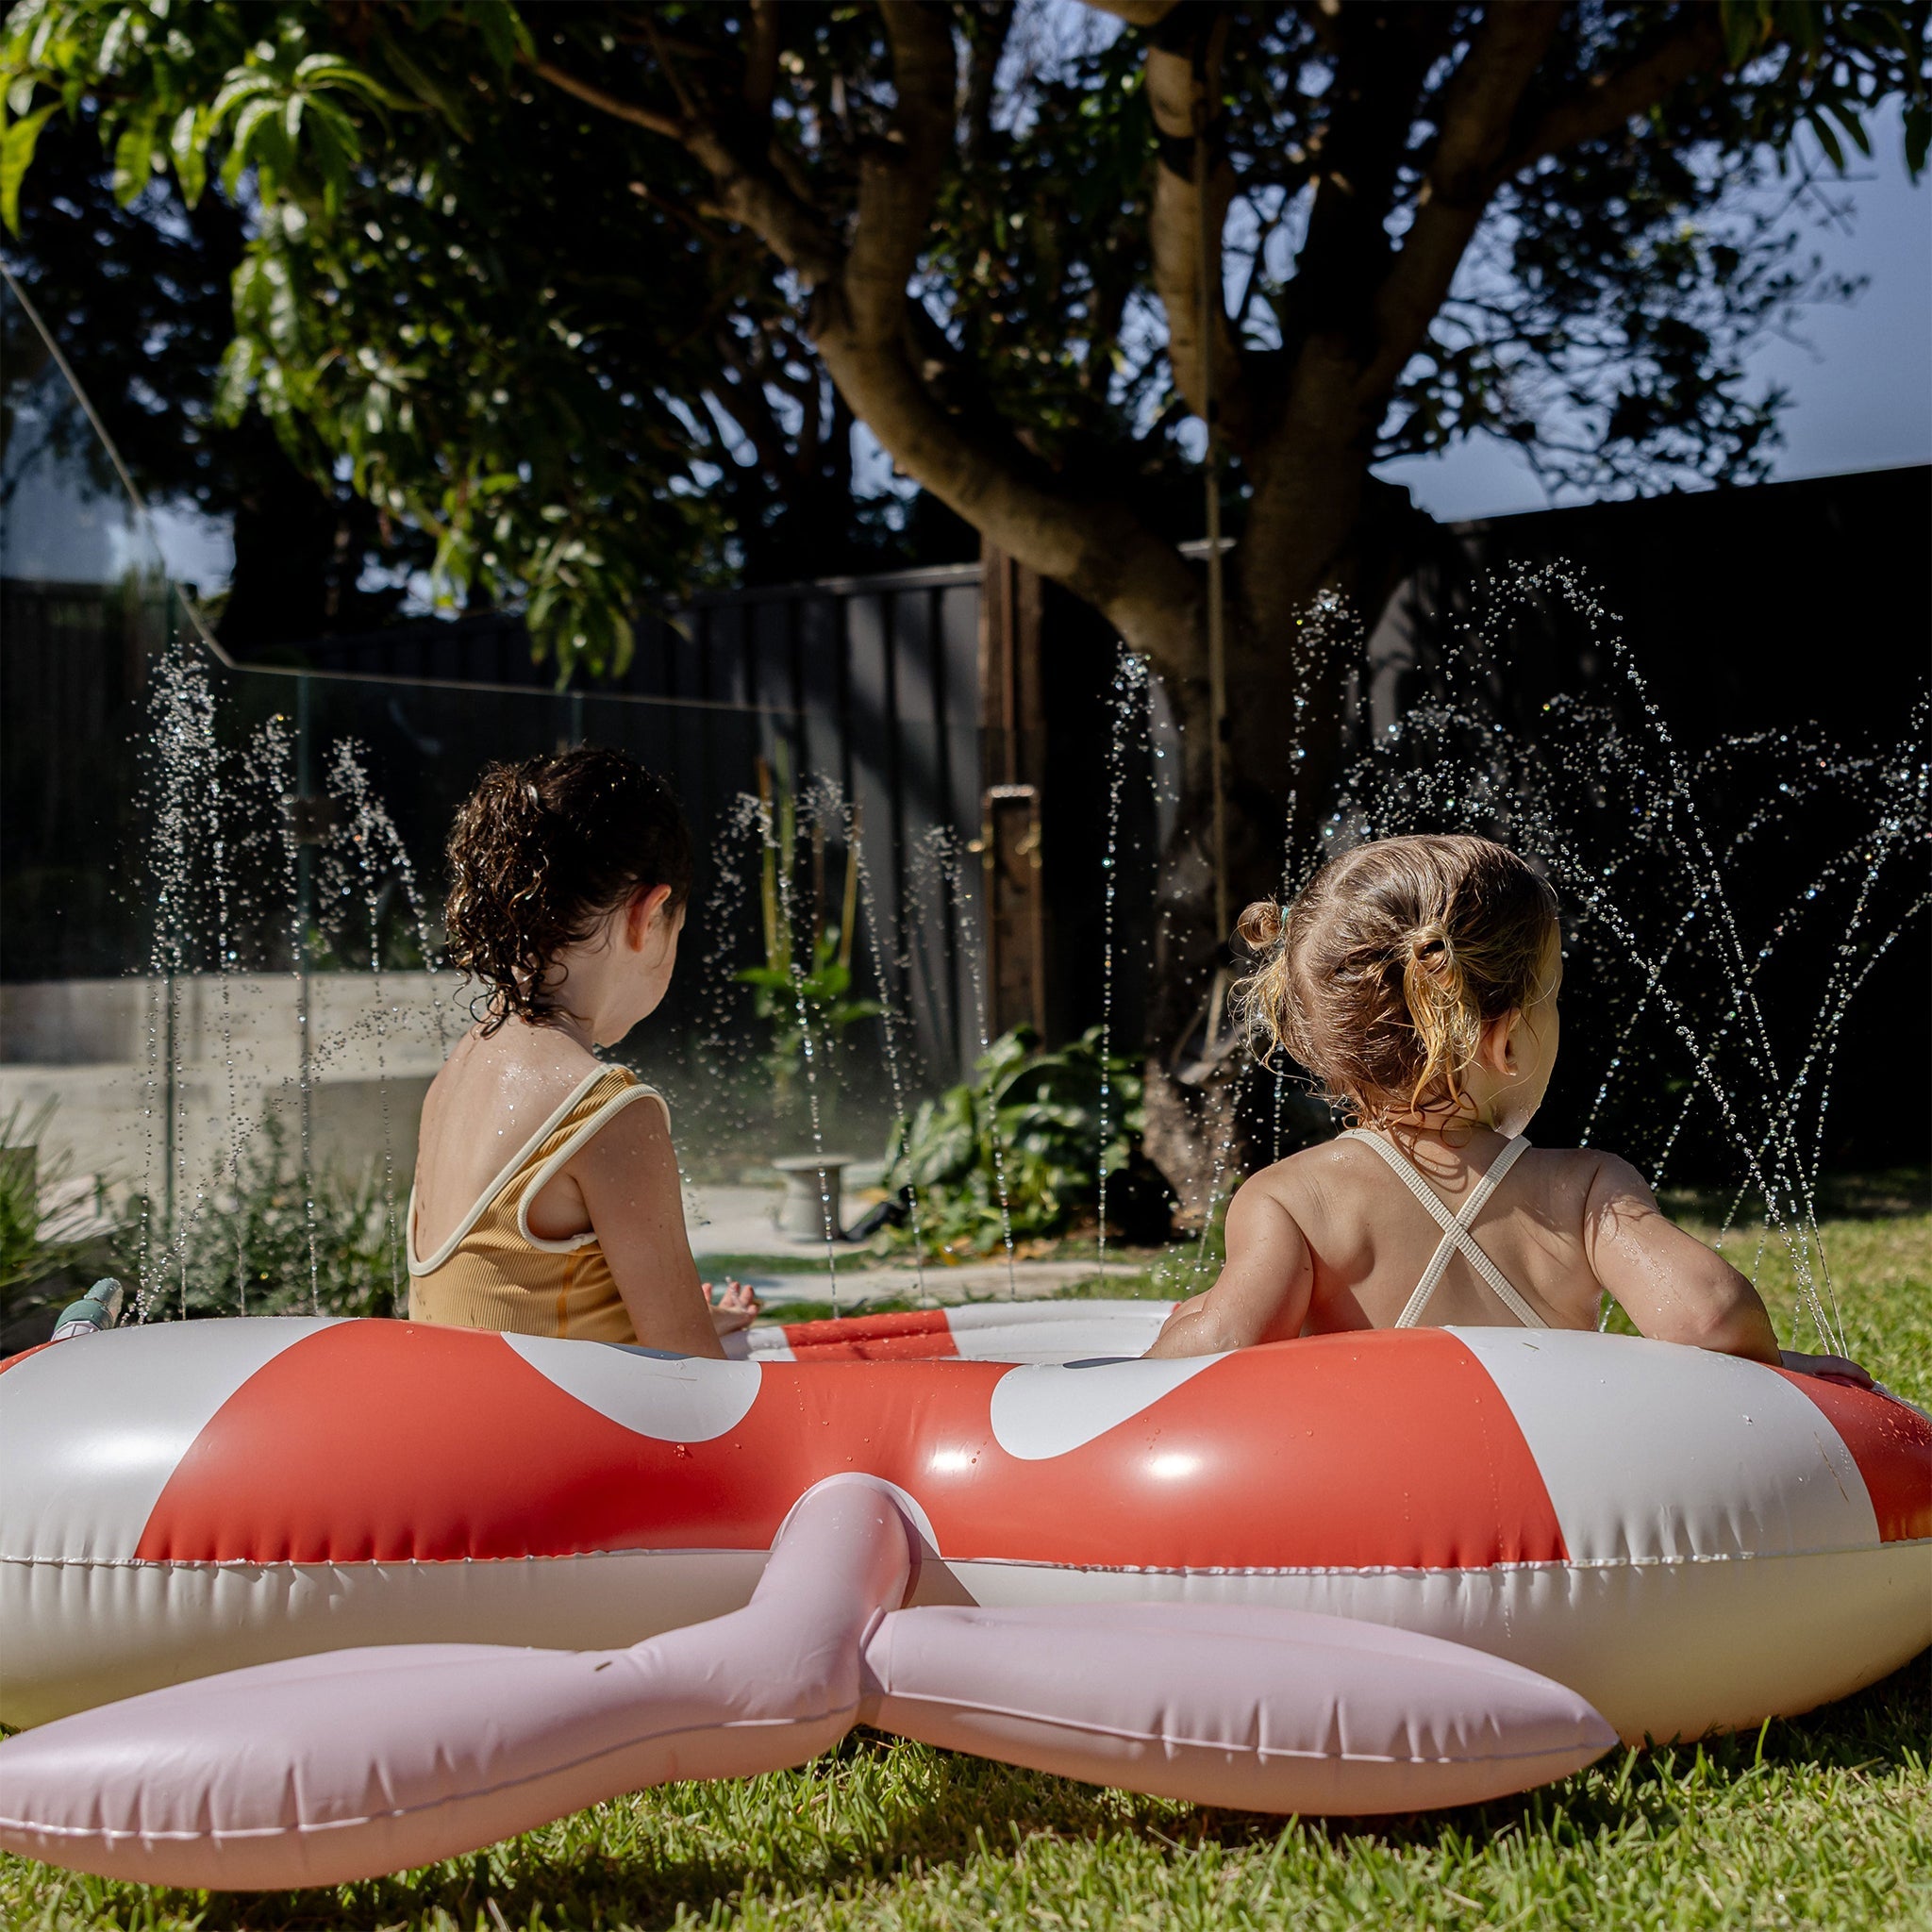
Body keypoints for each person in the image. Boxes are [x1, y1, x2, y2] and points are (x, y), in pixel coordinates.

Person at [1146, 833, 1866, 1383]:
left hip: (1376, 1499)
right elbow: (1710, 1316)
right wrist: (1782, 1370)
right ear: (1508, 1042)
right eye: (1553, 997)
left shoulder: (1292, 1200)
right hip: (1549, 1497)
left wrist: (1174, 1333)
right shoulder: (1586, 1190)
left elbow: (1222, 1348)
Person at [408, 746, 757, 1356]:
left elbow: (512, 1295)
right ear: (647, 914)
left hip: (460, 1405)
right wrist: (697, 1334)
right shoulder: (602, 1111)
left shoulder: (458, 1074)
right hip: (550, 1419)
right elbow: (694, 1372)